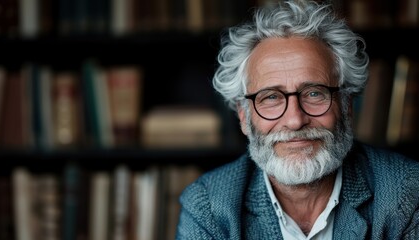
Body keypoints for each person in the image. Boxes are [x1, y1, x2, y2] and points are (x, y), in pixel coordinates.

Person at [175, 0, 419, 239]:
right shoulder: (208, 206)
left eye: (314, 93)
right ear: (243, 115)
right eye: (270, 97)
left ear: (346, 104)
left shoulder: (408, 191)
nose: (294, 120)